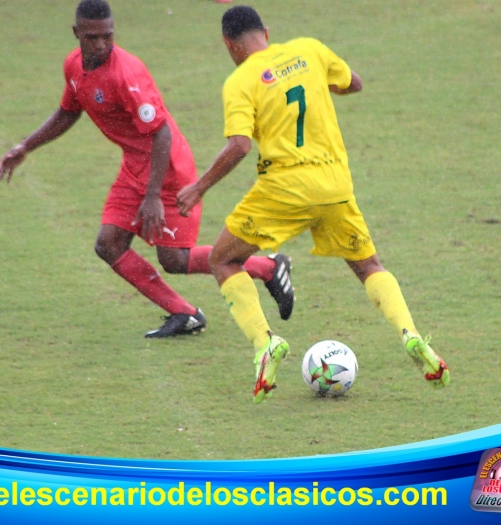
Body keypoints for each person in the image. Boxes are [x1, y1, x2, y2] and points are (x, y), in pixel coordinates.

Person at [178, 5, 450, 403]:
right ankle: (410, 333)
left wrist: (199, 188)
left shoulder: (240, 81)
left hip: (283, 190)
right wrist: (322, 82)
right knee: (369, 266)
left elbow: (239, 145)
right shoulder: (309, 49)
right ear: (266, 32)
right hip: (334, 185)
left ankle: (265, 343)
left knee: (223, 259)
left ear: (229, 45)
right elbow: (354, 84)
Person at [0, 0, 294, 338]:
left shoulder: (126, 73)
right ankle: (185, 314)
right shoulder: (74, 65)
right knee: (108, 244)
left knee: (175, 259)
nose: (101, 44)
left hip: (167, 169)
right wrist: (25, 146)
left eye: (108, 36)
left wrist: (152, 197)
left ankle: (268, 267)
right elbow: (69, 110)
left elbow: (162, 132)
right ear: (77, 33)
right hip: (135, 165)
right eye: (92, 37)